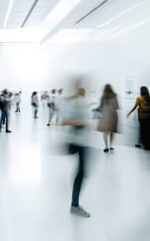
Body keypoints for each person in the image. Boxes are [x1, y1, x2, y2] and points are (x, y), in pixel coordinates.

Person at [61, 82, 92, 218]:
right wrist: (83, 123)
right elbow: (65, 121)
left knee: (82, 173)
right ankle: (74, 205)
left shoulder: (80, 102)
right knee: (81, 173)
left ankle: (75, 204)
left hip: (83, 142)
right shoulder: (74, 103)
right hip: (79, 142)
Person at [96, 84, 119, 153]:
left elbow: (100, 107)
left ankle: (106, 147)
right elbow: (117, 106)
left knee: (105, 132)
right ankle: (111, 146)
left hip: (105, 115)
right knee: (112, 131)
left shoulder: (103, 96)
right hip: (113, 115)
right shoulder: (115, 95)